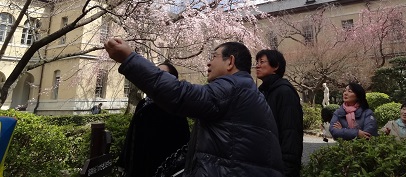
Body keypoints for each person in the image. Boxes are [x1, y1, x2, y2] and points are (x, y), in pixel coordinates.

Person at [104, 37, 284, 177]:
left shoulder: (232, 88)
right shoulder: (244, 90)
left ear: (230, 62)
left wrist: (129, 59)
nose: (208, 63)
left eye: (213, 57)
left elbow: (180, 95)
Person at [117, 61, 190, 177]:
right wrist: (124, 162)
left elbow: (181, 143)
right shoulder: (143, 104)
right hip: (137, 167)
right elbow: (132, 136)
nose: (157, 76)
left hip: (159, 169)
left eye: (162, 74)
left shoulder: (173, 106)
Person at [255, 49, 303, 177]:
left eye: (262, 62)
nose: (257, 65)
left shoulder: (284, 92)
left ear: (275, 66)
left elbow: (290, 131)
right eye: (257, 62)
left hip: (280, 167)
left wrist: (288, 168)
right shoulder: (264, 91)